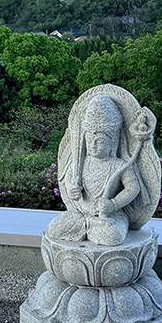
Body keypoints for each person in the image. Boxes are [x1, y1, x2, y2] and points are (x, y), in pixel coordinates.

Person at [46, 94, 146, 246]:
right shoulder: (80, 163)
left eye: (99, 141)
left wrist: (113, 204)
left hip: (110, 215)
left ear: (112, 141)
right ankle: (89, 226)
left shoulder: (119, 165)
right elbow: (69, 183)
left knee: (113, 235)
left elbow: (133, 188)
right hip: (82, 213)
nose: (93, 145)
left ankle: (91, 228)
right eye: (89, 140)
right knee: (54, 228)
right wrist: (73, 190)